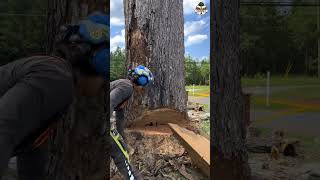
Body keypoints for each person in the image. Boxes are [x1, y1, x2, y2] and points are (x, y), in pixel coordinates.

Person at [0, 12, 109, 180]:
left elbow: (33, 150)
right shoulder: (56, 79)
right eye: (105, 80)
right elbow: (4, 127)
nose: (102, 88)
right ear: (95, 65)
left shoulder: (55, 80)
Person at [110, 65, 154, 180]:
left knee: (121, 148)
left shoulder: (124, 88)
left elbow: (120, 117)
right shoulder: (126, 87)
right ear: (140, 80)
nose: (144, 88)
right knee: (121, 156)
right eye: (145, 84)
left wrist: (122, 138)